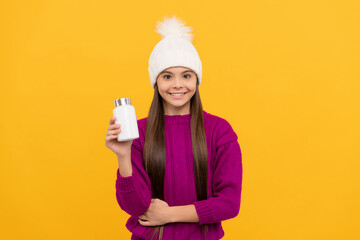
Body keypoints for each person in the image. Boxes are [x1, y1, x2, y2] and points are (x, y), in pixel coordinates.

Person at [105, 15, 243, 240]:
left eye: (186, 75)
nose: (177, 84)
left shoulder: (219, 131)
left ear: (196, 81)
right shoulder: (138, 133)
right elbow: (135, 207)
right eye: (167, 76)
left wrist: (168, 215)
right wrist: (123, 155)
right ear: (156, 82)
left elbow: (229, 204)